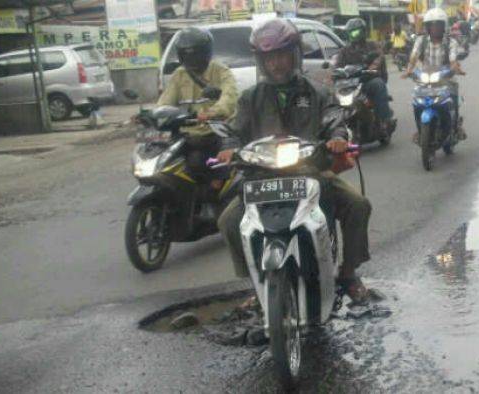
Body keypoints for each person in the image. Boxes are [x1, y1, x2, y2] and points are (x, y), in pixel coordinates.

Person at [216, 19, 372, 303]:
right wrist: (228, 147)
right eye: (269, 57)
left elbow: (334, 118)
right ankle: (254, 282)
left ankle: (348, 273)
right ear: (262, 60)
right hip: (261, 177)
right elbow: (232, 130)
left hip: (311, 171)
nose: (276, 63)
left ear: (294, 54)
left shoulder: (317, 92)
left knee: (358, 205)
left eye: (281, 55)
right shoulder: (251, 97)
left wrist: (337, 138)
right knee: (228, 221)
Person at [157, 27, 238, 180]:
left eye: (196, 54)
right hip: (188, 135)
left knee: (209, 164)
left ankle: (216, 192)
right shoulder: (179, 75)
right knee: (169, 162)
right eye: (187, 55)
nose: (192, 60)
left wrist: (210, 113)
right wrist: (153, 116)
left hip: (217, 133)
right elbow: (164, 103)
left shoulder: (221, 71)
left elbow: (230, 98)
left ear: (205, 53)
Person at [403, 7, 467, 142]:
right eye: (431, 25)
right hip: (425, 79)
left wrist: (455, 68)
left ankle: (455, 127)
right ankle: (421, 131)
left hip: (445, 78)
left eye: (438, 25)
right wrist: (409, 69)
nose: (435, 28)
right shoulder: (421, 40)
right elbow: (413, 56)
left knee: (453, 95)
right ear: (427, 27)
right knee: (416, 102)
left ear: (443, 26)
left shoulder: (451, 42)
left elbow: (453, 59)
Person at [335, 17, 395, 134]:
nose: (353, 35)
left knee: (378, 84)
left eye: (355, 32)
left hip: (368, 80)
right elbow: (337, 65)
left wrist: (373, 67)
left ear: (362, 32)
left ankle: (384, 120)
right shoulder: (344, 50)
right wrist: (334, 73)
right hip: (351, 84)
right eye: (351, 32)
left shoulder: (372, 45)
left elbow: (379, 57)